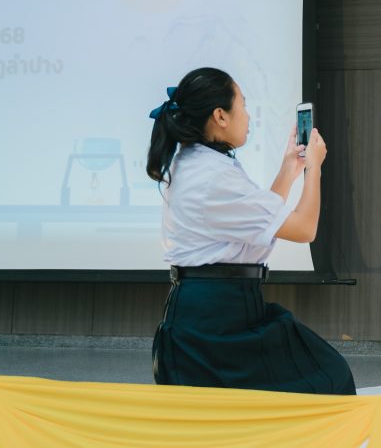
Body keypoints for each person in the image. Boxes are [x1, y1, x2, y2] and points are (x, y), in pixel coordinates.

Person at [146, 67, 355, 395]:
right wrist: (314, 168)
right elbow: (304, 229)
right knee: (330, 375)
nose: (248, 115)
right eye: (242, 105)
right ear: (220, 116)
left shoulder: (196, 162)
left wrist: (290, 168)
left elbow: (258, 216)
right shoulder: (213, 175)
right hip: (214, 320)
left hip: (214, 312)